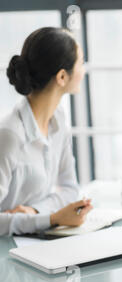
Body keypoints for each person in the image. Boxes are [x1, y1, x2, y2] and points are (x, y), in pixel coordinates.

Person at [0, 27, 93, 236]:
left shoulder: (58, 119)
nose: (84, 71)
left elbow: (70, 190)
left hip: (33, 244)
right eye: (81, 63)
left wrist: (34, 211)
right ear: (62, 76)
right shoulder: (9, 135)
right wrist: (51, 219)